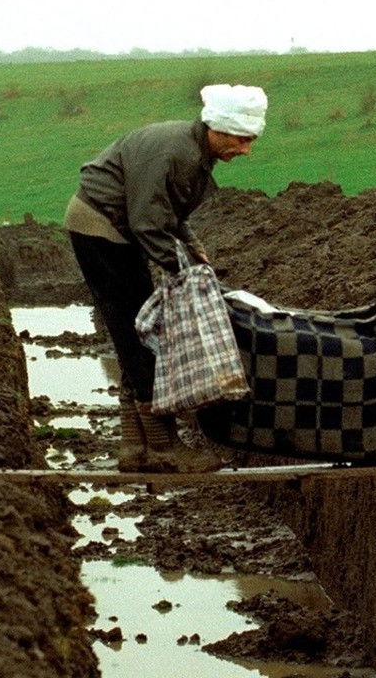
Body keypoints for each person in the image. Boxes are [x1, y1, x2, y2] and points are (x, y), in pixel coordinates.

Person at [64, 84, 268, 473]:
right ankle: (163, 447)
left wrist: (193, 248)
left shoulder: (192, 151)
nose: (246, 150)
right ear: (219, 128)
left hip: (117, 228)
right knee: (137, 334)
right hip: (102, 229)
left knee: (130, 334)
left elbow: (171, 212)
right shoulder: (174, 151)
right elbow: (147, 221)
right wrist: (182, 271)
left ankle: (133, 446)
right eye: (242, 139)